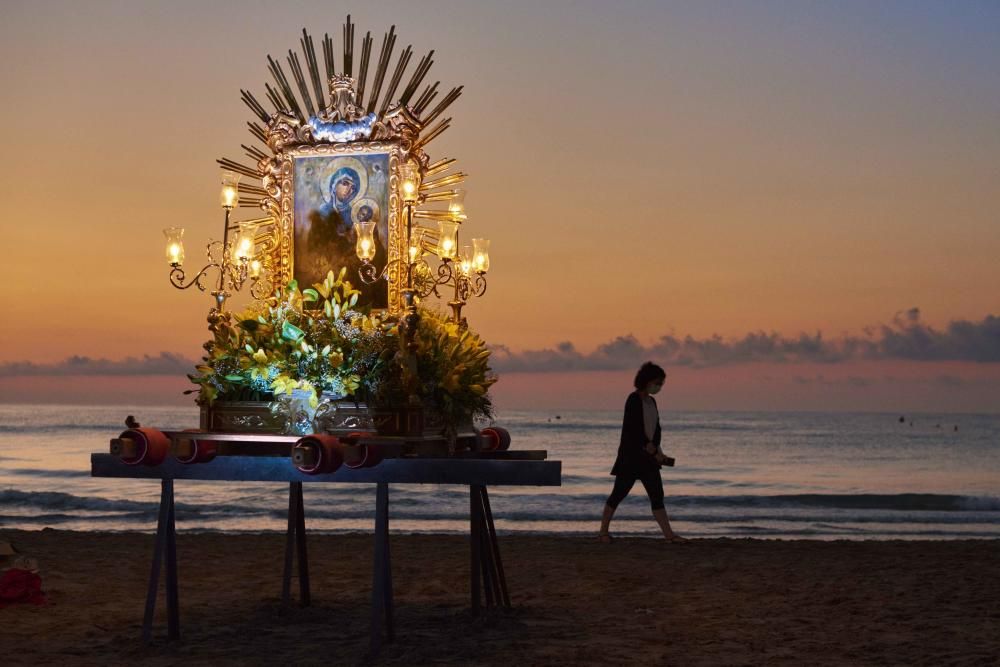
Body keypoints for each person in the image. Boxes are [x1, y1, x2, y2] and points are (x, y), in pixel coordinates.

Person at [598, 362, 687, 543]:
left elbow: (656, 429)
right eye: (657, 383)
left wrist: (657, 450)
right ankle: (603, 533)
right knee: (618, 493)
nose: (659, 387)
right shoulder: (633, 399)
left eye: (661, 384)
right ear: (646, 381)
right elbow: (634, 429)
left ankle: (669, 535)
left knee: (657, 495)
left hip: (649, 459)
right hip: (631, 458)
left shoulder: (652, 401)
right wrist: (650, 448)